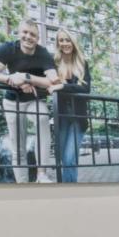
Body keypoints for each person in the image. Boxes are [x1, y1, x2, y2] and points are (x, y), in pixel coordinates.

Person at [0, 19, 59, 183]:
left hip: (34, 100)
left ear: (37, 38)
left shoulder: (43, 53)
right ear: (19, 33)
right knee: (18, 146)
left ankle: (42, 174)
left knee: (43, 117)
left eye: (32, 34)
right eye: (25, 32)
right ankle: (22, 184)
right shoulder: (8, 49)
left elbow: (53, 81)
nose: (28, 37)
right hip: (12, 101)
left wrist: (27, 78)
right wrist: (10, 78)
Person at [48, 29, 90, 183]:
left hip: (78, 118)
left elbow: (86, 89)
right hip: (61, 117)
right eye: (61, 40)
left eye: (68, 40)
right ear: (58, 43)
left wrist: (63, 87)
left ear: (73, 42)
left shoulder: (82, 63)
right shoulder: (54, 63)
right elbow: (49, 84)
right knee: (61, 158)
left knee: (69, 159)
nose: (65, 43)